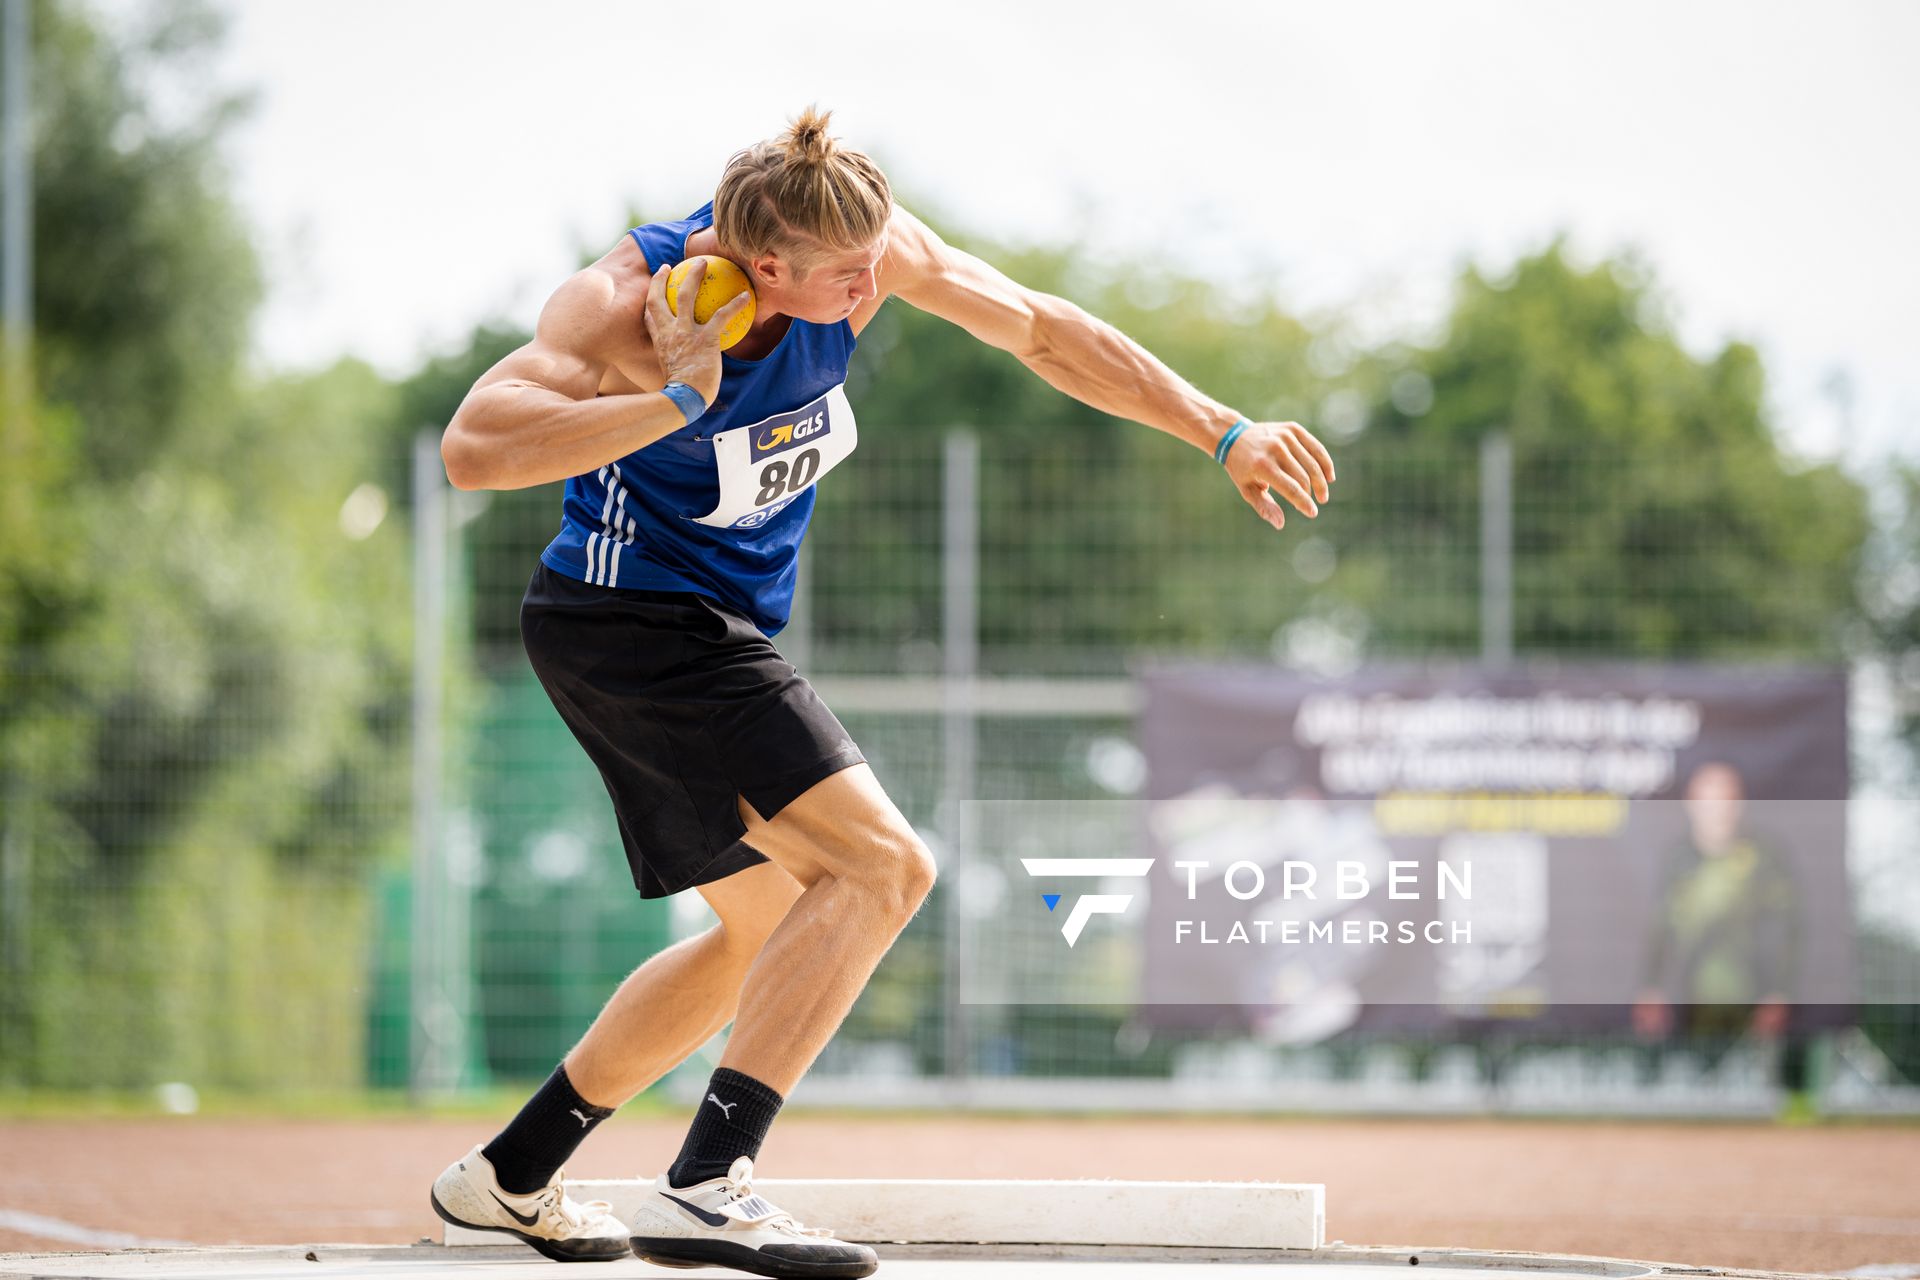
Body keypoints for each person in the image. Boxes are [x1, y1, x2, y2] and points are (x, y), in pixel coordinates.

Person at [427, 107, 1336, 1280]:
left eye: (876, 265)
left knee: (767, 937)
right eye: (847, 276)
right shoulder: (618, 303)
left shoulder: (873, 252)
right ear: (765, 264)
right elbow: (475, 444)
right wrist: (673, 400)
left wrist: (1223, 428)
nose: (873, 290)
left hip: (704, 629)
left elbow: (1045, 332)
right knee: (887, 866)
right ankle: (711, 1178)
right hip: (633, 622)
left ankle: (507, 1174)